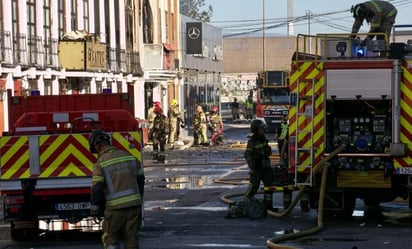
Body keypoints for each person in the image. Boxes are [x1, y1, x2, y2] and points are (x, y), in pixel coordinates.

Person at [89, 129, 145, 249]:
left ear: (97, 146)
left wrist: (95, 211)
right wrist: (138, 199)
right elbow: (141, 179)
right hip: (134, 207)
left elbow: (97, 188)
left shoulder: (100, 163)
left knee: (110, 239)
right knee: (132, 240)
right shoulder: (129, 157)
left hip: (115, 210)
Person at [244, 120, 278, 212]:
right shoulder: (252, 141)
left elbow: (268, 151)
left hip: (266, 167)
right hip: (257, 168)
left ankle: (268, 207)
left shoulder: (263, 139)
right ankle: (245, 204)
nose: (263, 130)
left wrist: (267, 151)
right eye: (261, 128)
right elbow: (247, 153)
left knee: (269, 188)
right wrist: (251, 163)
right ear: (256, 129)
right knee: (254, 187)